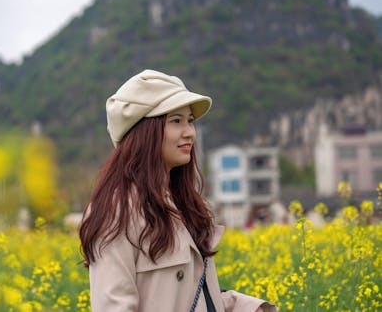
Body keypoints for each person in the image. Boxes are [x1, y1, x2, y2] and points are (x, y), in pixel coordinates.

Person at [79, 69, 277, 312]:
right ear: (144, 133)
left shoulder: (186, 204)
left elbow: (192, 296)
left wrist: (247, 307)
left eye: (190, 121)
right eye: (176, 121)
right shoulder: (116, 212)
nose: (190, 133)